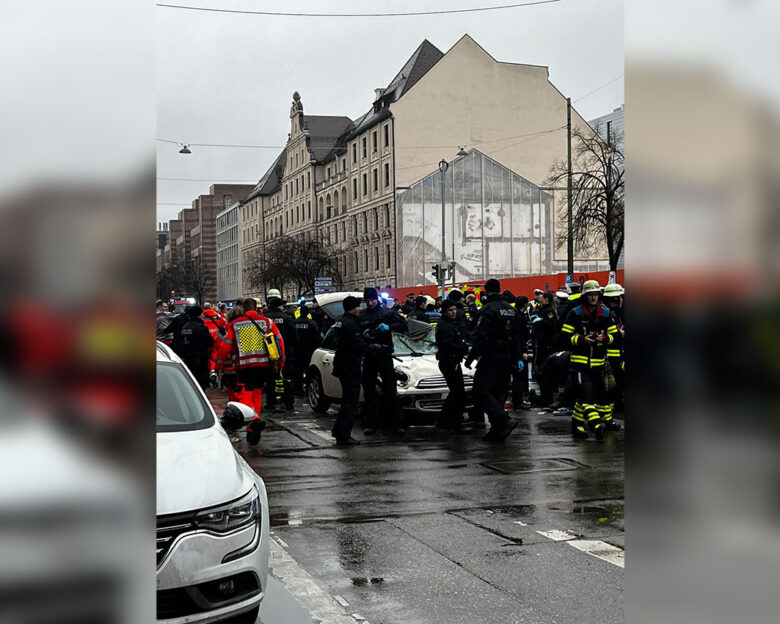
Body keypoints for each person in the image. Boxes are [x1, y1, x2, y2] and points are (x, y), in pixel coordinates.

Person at [560, 280, 618, 439]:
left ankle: (577, 426)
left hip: (598, 364)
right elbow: (564, 337)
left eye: (596, 295)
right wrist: (581, 340)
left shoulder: (605, 314)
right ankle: (596, 425)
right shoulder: (575, 313)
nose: (593, 298)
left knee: (587, 397)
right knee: (587, 395)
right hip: (579, 364)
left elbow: (616, 337)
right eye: (590, 295)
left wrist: (605, 338)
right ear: (585, 296)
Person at [465, 278, 520, 442]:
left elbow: (481, 337)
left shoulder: (487, 309)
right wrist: (516, 358)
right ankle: (497, 431)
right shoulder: (510, 309)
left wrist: (471, 358)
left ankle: (503, 420)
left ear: (486, 291)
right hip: (507, 358)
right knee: (498, 393)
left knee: (480, 391)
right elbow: (517, 336)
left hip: (490, 357)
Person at [229, 298, 284, 444]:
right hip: (263, 365)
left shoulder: (235, 324)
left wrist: (219, 366)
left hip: (244, 366)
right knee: (257, 393)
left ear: (243, 309)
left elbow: (227, 346)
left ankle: (253, 419)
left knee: (245, 393)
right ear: (257, 307)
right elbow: (279, 342)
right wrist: (280, 363)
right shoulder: (267, 322)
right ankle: (252, 427)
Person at [359, 287, 406, 435]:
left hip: (384, 353)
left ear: (377, 299)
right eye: (368, 301)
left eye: (372, 300)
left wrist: (388, 327)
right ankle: (372, 423)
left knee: (390, 390)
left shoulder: (387, 313)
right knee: (369, 391)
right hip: (370, 355)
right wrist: (364, 336)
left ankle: (396, 424)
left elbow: (403, 326)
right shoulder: (363, 315)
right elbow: (357, 333)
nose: (370, 303)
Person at [331, 295, 366, 446]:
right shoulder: (350, 324)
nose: (361, 309)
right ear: (353, 307)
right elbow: (356, 344)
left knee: (347, 401)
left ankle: (338, 430)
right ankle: (344, 435)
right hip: (349, 366)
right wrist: (371, 347)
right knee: (350, 402)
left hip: (341, 364)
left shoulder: (339, 320)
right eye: (359, 306)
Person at [434, 300, 470, 432]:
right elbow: (448, 345)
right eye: (450, 310)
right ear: (444, 311)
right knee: (457, 393)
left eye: (454, 309)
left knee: (457, 392)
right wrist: (464, 348)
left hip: (452, 361)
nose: (454, 312)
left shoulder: (449, 324)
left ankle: (446, 421)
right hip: (449, 361)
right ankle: (451, 422)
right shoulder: (445, 326)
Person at [264, 295, 299, 411]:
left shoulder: (265, 318)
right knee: (287, 378)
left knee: (271, 378)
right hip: (285, 353)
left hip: (270, 354)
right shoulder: (287, 318)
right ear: (279, 306)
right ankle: (288, 402)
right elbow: (294, 337)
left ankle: (271, 402)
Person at [172, 305, 214, 390]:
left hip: (188, 358)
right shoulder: (201, 327)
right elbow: (210, 342)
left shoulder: (184, 327)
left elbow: (180, 343)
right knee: (201, 383)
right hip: (201, 359)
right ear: (199, 314)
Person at [294, 303, 322, 393]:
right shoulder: (311, 323)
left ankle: (298, 389)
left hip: (297, 350)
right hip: (309, 350)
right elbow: (318, 336)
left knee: (298, 370)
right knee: (308, 369)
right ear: (308, 313)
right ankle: (307, 388)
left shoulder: (294, 323)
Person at [531, 291, 558, 376]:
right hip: (541, 338)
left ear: (547, 299)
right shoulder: (542, 309)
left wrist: (542, 321)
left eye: (542, 298)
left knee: (544, 358)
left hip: (546, 340)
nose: (540, 300)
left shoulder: (549, 311)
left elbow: (553, 324)